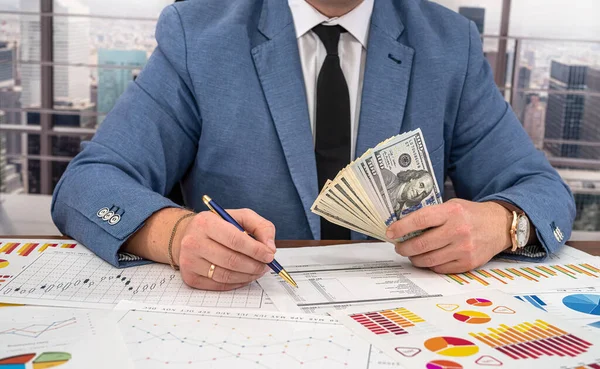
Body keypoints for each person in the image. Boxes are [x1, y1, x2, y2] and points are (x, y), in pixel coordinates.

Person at [52, 0, 575, 291]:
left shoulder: (448, 41)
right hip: (245, 314)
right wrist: (175, 235)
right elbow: (89, 182)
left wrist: (499, 223)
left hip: (407, 325)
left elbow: (541, 190)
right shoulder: (198, 33)